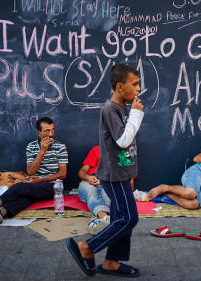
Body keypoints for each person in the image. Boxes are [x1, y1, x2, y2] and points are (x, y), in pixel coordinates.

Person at [67, 63, 144, 278]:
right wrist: (136, 115)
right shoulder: (110, 109)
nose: (138, 89)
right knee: (129, 218)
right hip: (114, 175)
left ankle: (111, 262)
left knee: (122, 217)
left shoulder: (122, 108)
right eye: (135, 84)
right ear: (120, 86)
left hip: (122, 173)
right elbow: (123, 140)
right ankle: (88, 246)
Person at [0, 117, 68, 224]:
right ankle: (0, 212)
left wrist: (40, 180)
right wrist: (42, 152)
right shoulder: (31, 147)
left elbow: (63, 174)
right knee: (26, 198)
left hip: (53, 186)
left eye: (53, 129)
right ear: (38, 133)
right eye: (47, 131)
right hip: (34, 184)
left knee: (20, 186)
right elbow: (31, 172)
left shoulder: (60, 147)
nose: (51, 134)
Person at [77, 145, 111, 235]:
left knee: (108, 196)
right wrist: (88, 177)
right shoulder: (97, 149)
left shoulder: (125, 154)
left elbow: (129, 184)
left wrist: (105, 181)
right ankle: (104, 217)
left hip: (109, 183)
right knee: (91, 192)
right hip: (90, 182)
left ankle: (98, 221)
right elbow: (82, 171)